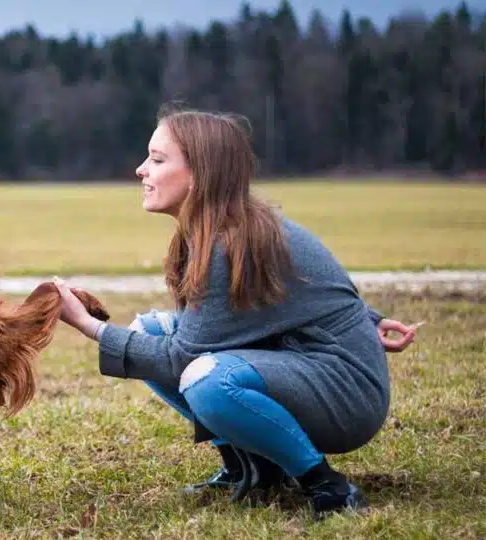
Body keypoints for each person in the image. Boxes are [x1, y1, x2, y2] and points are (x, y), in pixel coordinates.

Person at [53, 105, 421, 518]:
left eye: (157, 160)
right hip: (302, 363)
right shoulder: (224, 229)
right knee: (150, 329)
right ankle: (253, 466)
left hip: (347, 396)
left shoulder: (231, 242)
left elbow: (181, 359)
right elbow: (301, 289)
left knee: (206, 378)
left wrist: (88, 327)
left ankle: (327, 485)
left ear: (200, 173)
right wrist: (369, 319)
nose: (141, 169)